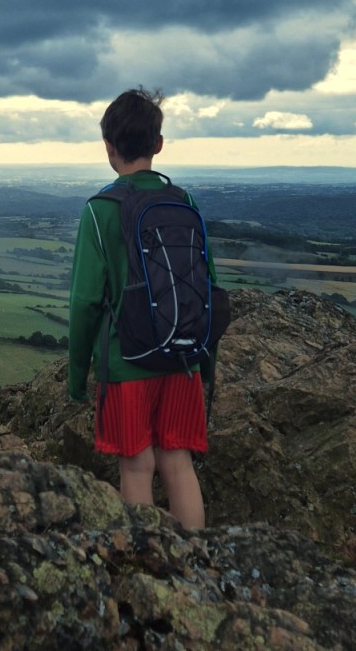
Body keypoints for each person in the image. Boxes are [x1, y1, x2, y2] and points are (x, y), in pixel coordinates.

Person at [67, 87, 212, 528]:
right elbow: (208, 285)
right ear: (158, 144)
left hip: (126, 362)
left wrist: (77, 376)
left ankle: (146, 562)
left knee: (136, 466)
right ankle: (197, 561)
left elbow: (85, 301)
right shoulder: (184, 202)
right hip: (182, 358)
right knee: (178, 461)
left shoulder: (100, 210)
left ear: (109, 147)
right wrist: (204, 360)